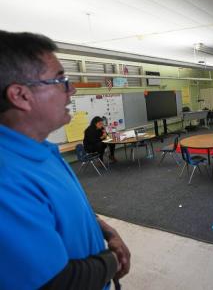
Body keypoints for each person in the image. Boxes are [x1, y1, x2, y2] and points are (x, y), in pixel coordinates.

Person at [0, 30, 130, 289]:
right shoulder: (6, 178)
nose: (72, 90)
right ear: (21, 96)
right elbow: (57, 283)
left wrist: (106, 230)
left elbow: (69, 210)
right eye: (60, 80)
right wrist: (114, 261)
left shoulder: (41, 149)